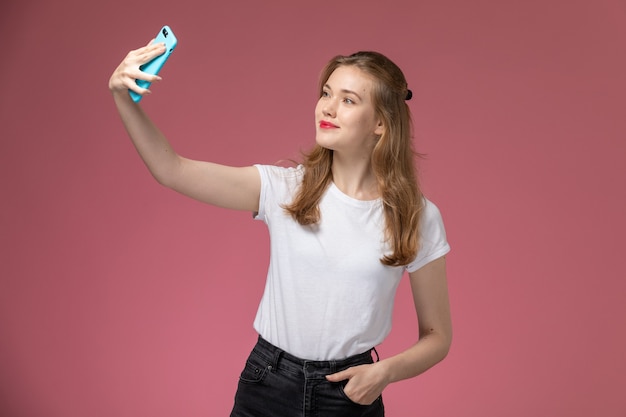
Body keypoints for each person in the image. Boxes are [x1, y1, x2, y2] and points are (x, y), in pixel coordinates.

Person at [109, 39, 452, 417]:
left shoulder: (416, 217)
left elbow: (437, 337)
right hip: (267, 384)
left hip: (350, 394)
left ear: (382, 123)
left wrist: (384, 372)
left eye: (349, 100)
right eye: (326, 93)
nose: (328, 107)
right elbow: (171, 170)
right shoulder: (285, 189)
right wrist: (123, 98)